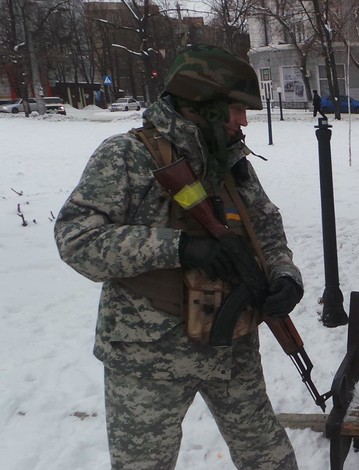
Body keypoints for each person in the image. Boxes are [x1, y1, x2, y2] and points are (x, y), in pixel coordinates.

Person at [54, 44, 304, 470]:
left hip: (231, 346)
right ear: (203, 105)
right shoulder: (127, 156)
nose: (243, 121)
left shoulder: (230, 160)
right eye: (236, 109)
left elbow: (265, 226)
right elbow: (76, 239)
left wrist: (284, 275)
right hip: (149, 354)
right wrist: (180, 248)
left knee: (271, 459)